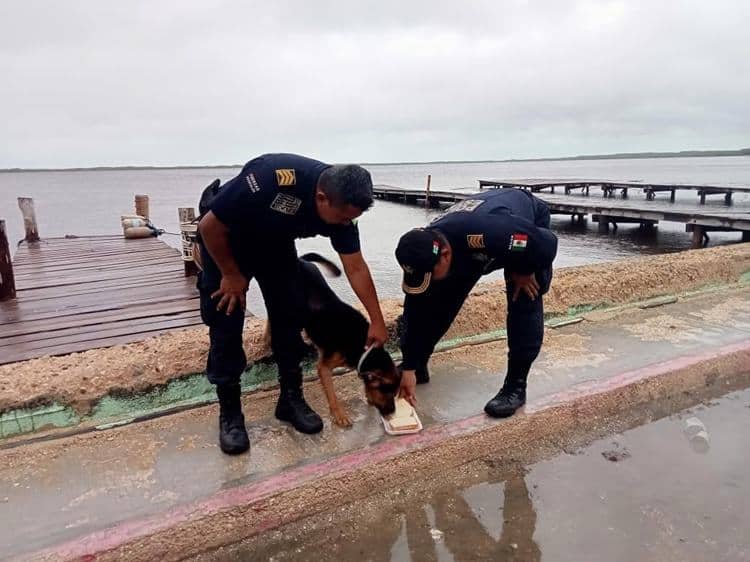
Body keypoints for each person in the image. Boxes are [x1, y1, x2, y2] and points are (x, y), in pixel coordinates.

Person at [197, 153, 387, 455]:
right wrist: (231, 275)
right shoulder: (270, 178)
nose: (346, 225)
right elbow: (209, 226)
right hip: (228, 241)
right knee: (225, 324)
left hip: (275, 243)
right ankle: (231, 414)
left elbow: (356, 267)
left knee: (291, 314)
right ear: (321, 198)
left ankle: (290, 399)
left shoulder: (343, 211)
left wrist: (376, 320)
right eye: (342, 218)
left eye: (352, 219)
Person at [395, 187, 557, 418]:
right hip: (472, 245)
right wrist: (410, 364)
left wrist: (524, 269)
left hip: (528, 236)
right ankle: (420, 366)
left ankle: (515, 387)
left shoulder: (494, 233)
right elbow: (416, 306)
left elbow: (548, 243)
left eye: (428, 274)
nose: (424, 281)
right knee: (435, 300)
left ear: (445, 256)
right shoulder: (425, 246)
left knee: (523, 295)